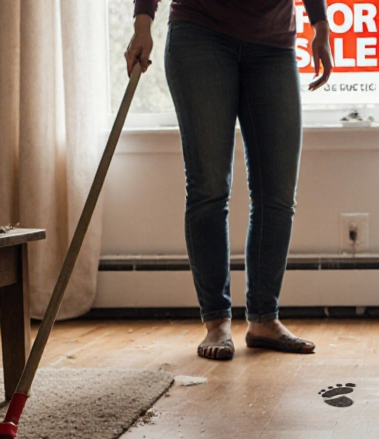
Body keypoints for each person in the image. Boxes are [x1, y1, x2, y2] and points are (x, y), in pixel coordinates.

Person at [127, 0, 332, 360]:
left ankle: (264, 319)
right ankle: (217, 322)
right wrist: (142, 24)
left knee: (278, 194)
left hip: (273, 42)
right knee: (208, 189)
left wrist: (321, 25)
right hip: (200, 33)